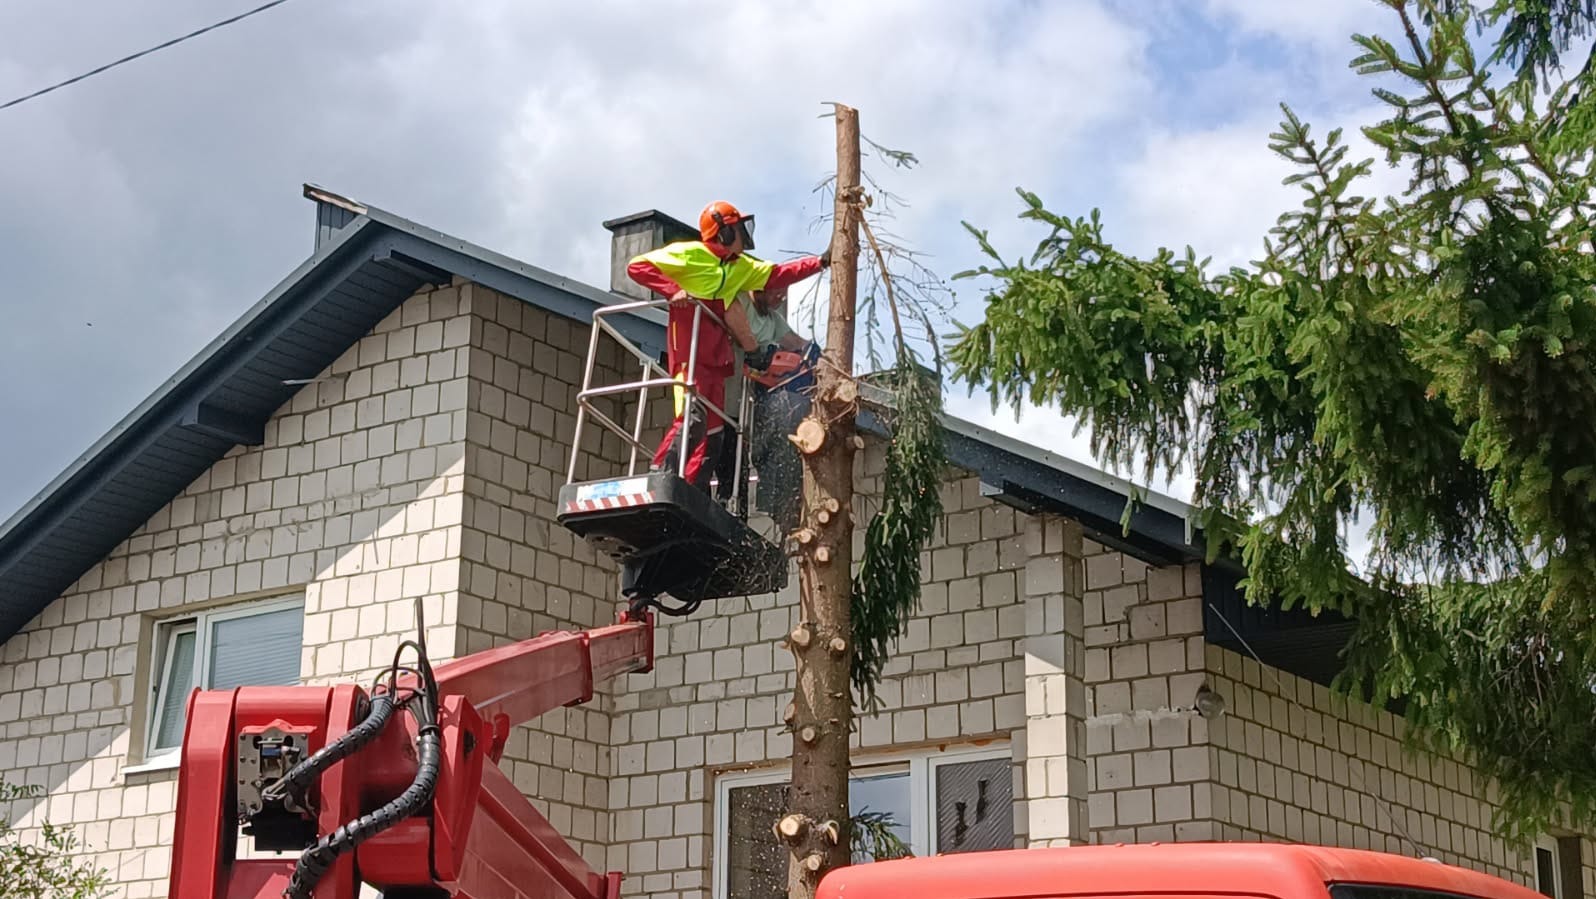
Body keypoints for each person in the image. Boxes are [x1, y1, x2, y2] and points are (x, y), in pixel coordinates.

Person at [626, 201, 828, 493]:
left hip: (717, 357)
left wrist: (820, 262)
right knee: (692, 417)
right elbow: (637, 266)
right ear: (722, 233)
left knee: (714, 431)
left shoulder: (740, 267)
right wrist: (673, 290)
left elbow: (778, 275)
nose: (744, 235)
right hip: (689, 350)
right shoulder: (689, 254)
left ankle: (692, 491)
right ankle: (662, 475)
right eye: (738, 229)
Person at [735, 283, 818, 531]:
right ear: (760, 289)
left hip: (774, 385)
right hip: (749, 383)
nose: (780, 297)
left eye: (783, 293)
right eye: (776, 292)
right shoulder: (743, 305)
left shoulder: (774, 318)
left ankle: (789, 503)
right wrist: (754, 352)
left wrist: (813, 351)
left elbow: (793, 341)